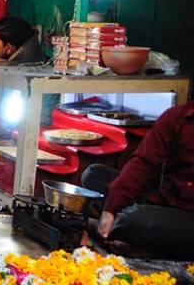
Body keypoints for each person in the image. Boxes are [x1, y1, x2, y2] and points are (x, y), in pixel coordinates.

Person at [82, 101, 194, 259]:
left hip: (188, 218)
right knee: (94, 175)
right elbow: (143, 163)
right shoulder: (177, 116)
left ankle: (101, 227)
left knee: (134, 218)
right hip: (163, 201)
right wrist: (111, 208)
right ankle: (121, 231)